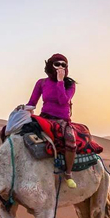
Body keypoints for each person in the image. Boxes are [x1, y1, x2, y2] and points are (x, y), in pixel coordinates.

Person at [25, 53, 78, 188]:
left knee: (70, 139)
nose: (60, 67)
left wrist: (60, 81)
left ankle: (68, 173)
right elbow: (32, 102)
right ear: (50, 66)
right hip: (45, 117)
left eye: (63, 65)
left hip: (62, 120)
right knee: (22, 134)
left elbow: (63, 101)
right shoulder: (42, 82)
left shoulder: (70, 84)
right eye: (57, 64)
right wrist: (24, 110)